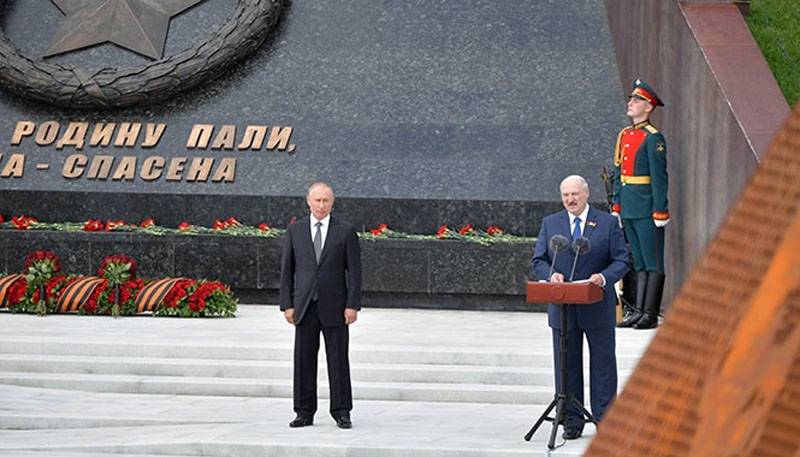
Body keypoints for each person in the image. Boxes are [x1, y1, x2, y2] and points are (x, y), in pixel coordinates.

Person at [531, 175, 629, 440]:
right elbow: (539, 260)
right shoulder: (551, 224)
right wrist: (550, 275)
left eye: (574, 194)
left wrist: (603, 278)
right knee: (567, 364)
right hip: (562, 308)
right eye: (565, 195)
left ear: (586, 194)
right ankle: (571, 421)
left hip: (596, 305)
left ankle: (605, 418)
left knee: (603, 365)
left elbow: (622, 260)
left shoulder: (607, 223)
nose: (570, 200)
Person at [279, 181, 362, 429]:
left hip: (336, 306)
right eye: (317, 200)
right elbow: (287, 270)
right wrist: (287, 305)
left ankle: (341, 411)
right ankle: (304, 411)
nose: (321, 205)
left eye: (326, 200)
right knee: (303, 359)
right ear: (308, 201)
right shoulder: (295, 231)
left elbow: (355, 273)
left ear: (332, 202)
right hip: (304, 306)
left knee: (338, 359)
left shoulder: (345, 231)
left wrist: (352, 305)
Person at [612, 79, 669, 330]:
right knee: (639, 261)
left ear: (648, 107)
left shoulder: (653, 138)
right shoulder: (625, 135)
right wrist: (617, 203)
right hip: (629, 206)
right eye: (631, 99)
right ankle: (637, 311)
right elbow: (618, 172)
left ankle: (650, 313)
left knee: (653, 260)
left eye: (637, 100)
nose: (631, 103)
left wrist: (660, 209)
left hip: (647, 207)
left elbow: (659, 177)